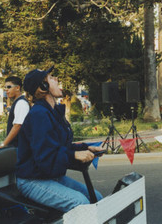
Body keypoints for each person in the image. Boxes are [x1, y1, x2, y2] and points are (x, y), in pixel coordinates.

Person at [16, 66, 103, 213]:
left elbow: (61, 146)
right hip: (32, 180)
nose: (56, 79)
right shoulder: (39, 115)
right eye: (51, 78)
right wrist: (73, 155)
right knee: (80, 203)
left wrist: (86, 148)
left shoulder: (53, 112)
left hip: (49, 176)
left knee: (97, 197)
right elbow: (45, 157)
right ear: (43, 87)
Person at [2, 76, 30, 147]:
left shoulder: (21, 103)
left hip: (19, 148)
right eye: (5, 87)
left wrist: (3, 144)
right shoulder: (18, 102)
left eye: (9, 87)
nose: (6, 90)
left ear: (17, 88)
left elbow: (17, 126)